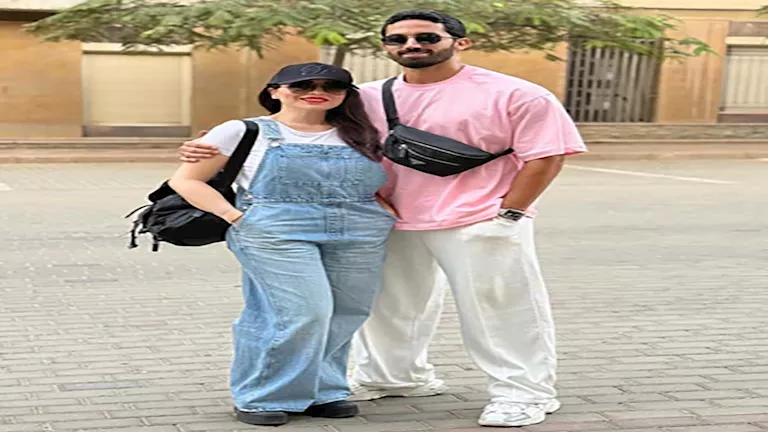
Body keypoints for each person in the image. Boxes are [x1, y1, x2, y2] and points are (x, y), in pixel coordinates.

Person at [178, 10, 587, 428]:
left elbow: (547, 155)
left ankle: (523, 393)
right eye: (398, 39)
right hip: (385, 221)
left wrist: (509, 213)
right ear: (385, 46)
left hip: (477, 217)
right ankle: (394, 378)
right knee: (386, 309)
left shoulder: (516, 93)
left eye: (427, 37)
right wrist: (206, 146)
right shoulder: (366, 97)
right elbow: (293, 127)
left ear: (460, 42)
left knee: (498, 308)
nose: (412, 45)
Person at [168, 62, 396, 427]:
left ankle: (324, 390)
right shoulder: (243, 130)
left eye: (331, 86)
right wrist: (236, 218)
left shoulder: (363, 132)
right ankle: (263, 396)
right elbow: (186, 180)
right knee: (303, 311)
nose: (317, 92)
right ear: (275, 91)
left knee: (346, 311)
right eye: (302, 85)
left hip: (359, 230)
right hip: (276, 230)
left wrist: (381, 207)